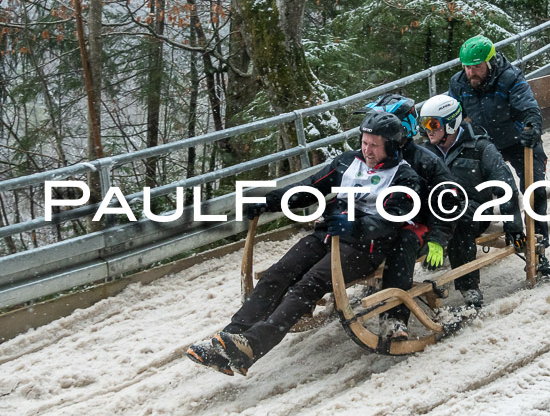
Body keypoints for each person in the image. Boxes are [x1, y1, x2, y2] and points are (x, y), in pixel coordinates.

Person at [186, 111, 421, 376]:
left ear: (390, 145)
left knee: (308, 285)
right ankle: (230, 338)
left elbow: (392, 220)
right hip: (327, 235)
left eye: (374, 145)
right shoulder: (346, 162)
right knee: (278, 273)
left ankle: (254, 344)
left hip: (364, 247)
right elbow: (308, 188)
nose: (367, 150)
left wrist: (356, 226)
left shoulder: (404, 178)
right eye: (364, 142)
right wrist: (270, 201)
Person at [448, 35, 550, 277]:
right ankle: (464, 238)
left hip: (518, 140)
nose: (470, 73)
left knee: (534, 188)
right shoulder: (458, 84)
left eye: (476, 67)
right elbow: (451, 115)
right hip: (485, 143)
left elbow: (529, 108)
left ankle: (539, 247)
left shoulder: (510, 77)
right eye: (466, 67)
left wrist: (532, 127)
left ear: (490, 62)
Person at [364, 94, 459, 340]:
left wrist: (438, 238)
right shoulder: (371, 155)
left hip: (417, 224)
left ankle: (394, 318)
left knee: (403, 241)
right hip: (382, 221)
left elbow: (447, 202)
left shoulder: (426, 162)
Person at [419, 94, 526, 308]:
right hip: (438, 211)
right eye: (424, 124)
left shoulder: (480, 148)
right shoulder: (425, 152)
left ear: (451, 123)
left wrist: (514, 228)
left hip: (475, 211)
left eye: (433, 123)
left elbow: (505, 187)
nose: (428, 129)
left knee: (456, 218)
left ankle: (470, 288)